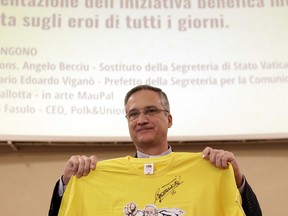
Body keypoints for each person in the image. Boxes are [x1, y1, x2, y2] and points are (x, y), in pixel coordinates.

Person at [49, 85, 262, 216]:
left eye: (151, 111)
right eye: (133, 114)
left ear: (169, 119)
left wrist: (235, 179)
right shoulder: (95, 176)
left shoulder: (209, 170)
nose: (141, 120)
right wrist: (68, 184)